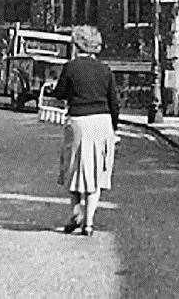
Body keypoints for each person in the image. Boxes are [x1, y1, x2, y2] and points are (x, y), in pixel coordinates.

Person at [52, 24, 119, 236]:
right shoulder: (105, 70)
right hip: (102, 122)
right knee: (96, 172)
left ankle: (75, 211)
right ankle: (89, 223)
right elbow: (114, 103)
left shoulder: (70, 67)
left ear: (76, 45)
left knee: (74, 167)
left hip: (79, 121)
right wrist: (113, 130)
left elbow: (59, 93)